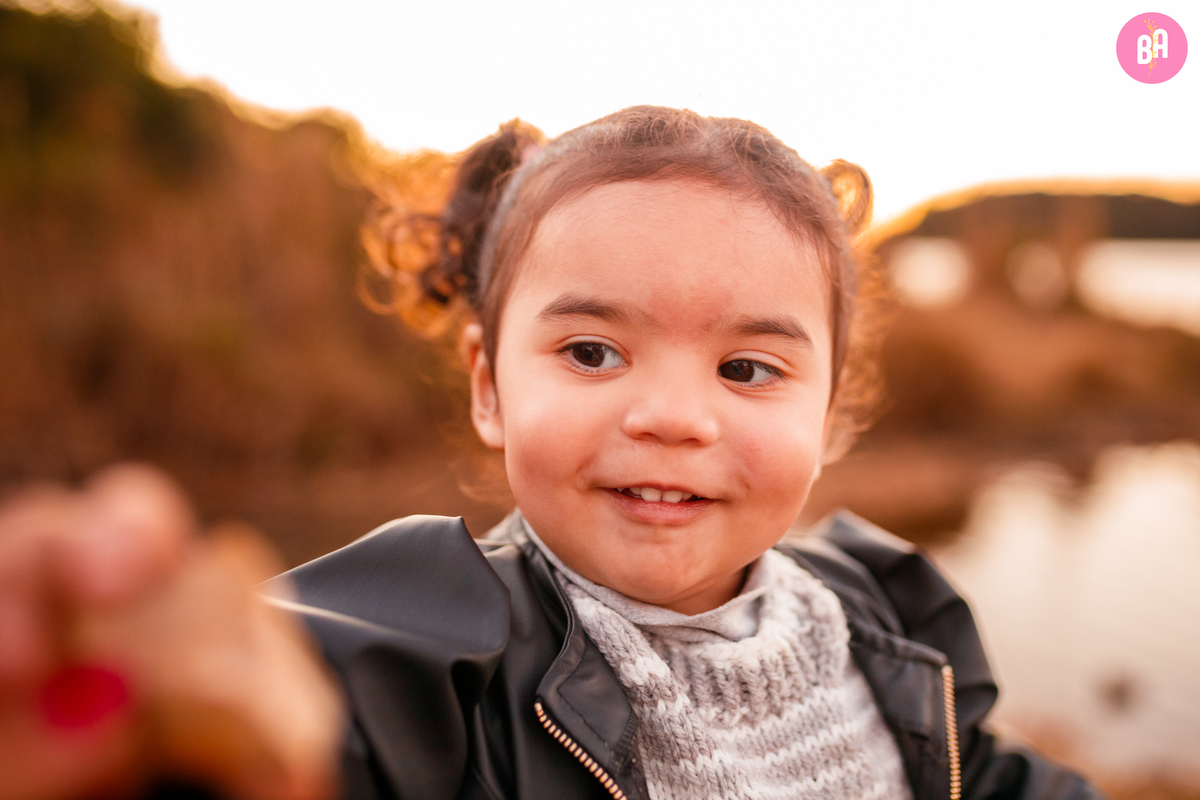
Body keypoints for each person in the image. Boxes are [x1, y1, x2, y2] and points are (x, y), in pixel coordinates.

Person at [0, 106, 1103, 800]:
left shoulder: (885, 617)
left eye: (748, 369)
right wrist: (154, 686)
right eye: (592, 349)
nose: (675, 416)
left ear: (830, 413)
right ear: (488, 383)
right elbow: (300, 712)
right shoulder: (441, 652)